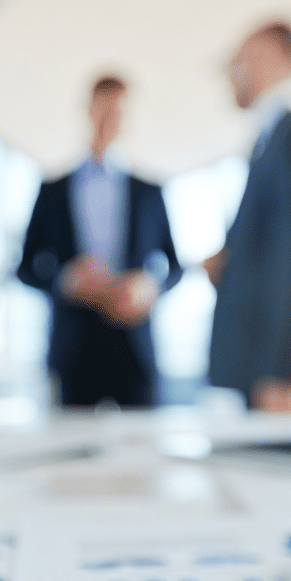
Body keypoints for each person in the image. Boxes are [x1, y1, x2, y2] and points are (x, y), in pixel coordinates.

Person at [17, 76, 181, 407]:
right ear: (88, 110)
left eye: (118, 111)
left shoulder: (149, 192)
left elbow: (174, 267)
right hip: (74, 345)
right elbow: (25, 267)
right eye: (103, 108)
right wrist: (66, 280)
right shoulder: (53, 191)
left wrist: (149, 287)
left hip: (134, 345)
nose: (109, 118)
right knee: (72, 452)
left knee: (142, 451)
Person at [205, 22, 291, 411]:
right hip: (250, 366)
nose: (234, 70)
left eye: (245, 58)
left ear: (279, 60)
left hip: (273, 377)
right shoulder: (265, 145)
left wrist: (284, 371)